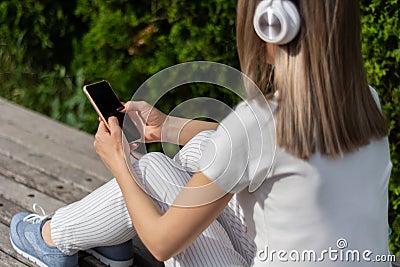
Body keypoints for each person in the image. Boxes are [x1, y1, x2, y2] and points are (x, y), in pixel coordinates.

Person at [9, 0, 392, 266]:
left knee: (153, 168)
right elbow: (239, 147)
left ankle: (54, 237)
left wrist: (120, 164)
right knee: (203, 147)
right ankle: (106, 238)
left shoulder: (259, 121)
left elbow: (160, 244)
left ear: (270, 26)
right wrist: (167, 126)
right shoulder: (363, 102)